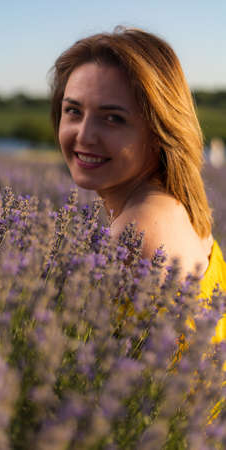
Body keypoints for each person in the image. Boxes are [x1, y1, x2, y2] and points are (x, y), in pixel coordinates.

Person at [49, 27, 226, 339]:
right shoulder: (175, 204)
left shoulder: (135, 234)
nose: (84, 135)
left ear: (158, 130)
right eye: (73, 111)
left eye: (113, 118)